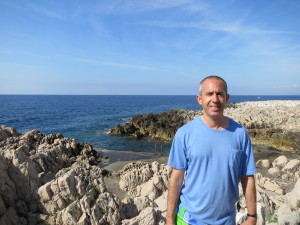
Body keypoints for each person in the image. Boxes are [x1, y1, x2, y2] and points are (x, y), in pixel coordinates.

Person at [166, 76, 257, 225]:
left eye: (219, 94)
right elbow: (176, 178)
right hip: (188, 219)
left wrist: (252, 216)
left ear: (227, 98)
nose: (215, 99)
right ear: (199, 99)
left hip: (226, 220)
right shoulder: (184, 133)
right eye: (209, 94)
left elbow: (247, 177)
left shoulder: (240, 134)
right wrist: (169, 219)